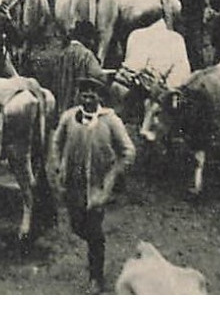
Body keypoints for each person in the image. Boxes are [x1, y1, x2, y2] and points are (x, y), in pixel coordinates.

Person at [49, 76, 136, 293]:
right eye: (84, 93)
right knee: (77, 226)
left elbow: (128, 151)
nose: (87, 97)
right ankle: (95, 246)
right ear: (79, 95)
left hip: (97, 185)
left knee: (94, 231)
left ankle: (96, 278)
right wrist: (59, 163)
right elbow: (57, 141)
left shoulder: (110, 120)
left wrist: (114, 174)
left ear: (99, 96)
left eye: (92, 93)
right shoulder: (69, 117)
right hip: (73, 184)